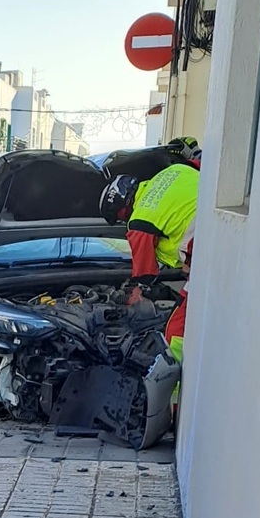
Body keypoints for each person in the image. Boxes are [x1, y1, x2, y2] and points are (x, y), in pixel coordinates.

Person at [99, 150, 200, 368]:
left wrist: (135, 294)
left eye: (120, 217)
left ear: (123, 208)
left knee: (175, 329)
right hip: (215, 246)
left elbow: (144, 272)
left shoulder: (139, 220)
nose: (124, 221)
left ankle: (177, 384)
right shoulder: (173, 171)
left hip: (207, 257)